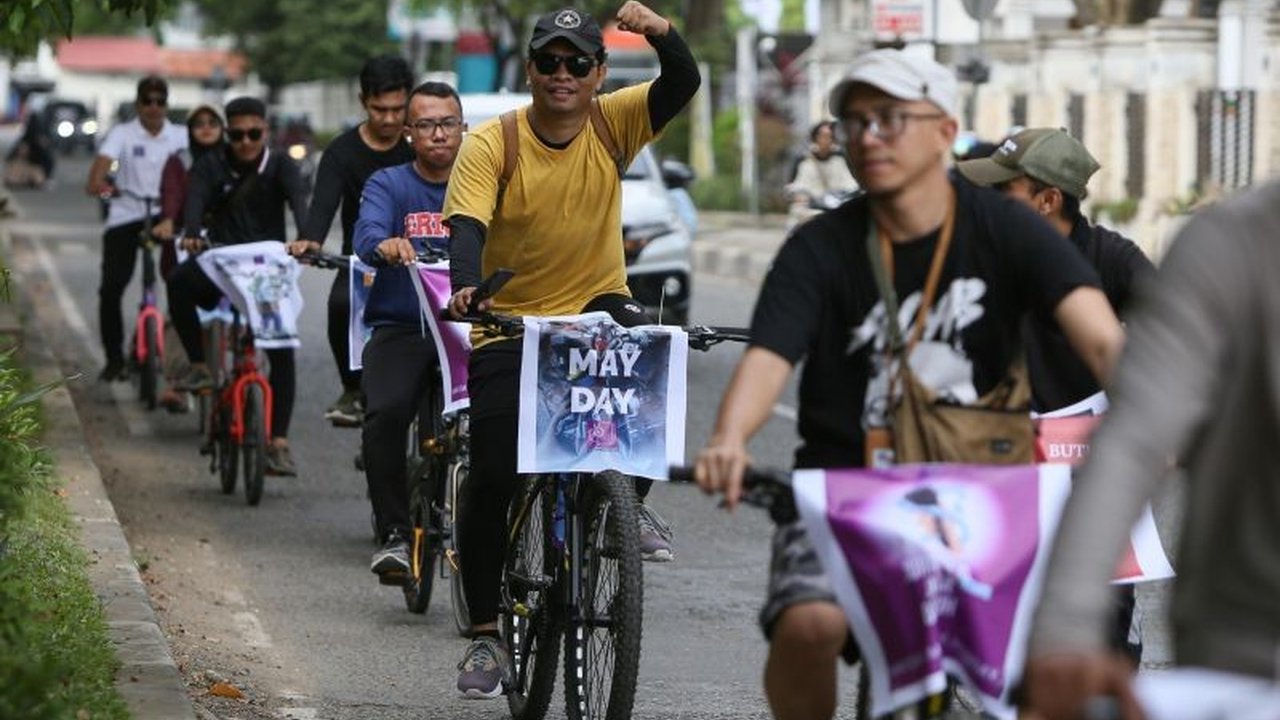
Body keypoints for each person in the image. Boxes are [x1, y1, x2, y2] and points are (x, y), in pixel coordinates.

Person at [689, 48, 1125, 720]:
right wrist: (728, 439)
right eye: (855, 121)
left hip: (983, 492)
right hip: (847, 488)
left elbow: (1100, 336)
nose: (868, 136)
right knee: (810, 625)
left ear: (946, 130)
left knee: (1043, 669)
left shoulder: (1006, 229)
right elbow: (770, 356)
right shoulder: (821, 246)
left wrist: (1148, 423)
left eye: (890, 118)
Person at [442, 2, 700, 698]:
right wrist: (468, 290)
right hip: (510, 321)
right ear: (530, 70)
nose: (563, 75)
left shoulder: (614, 123)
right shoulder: (493, 143)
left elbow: (682, 81)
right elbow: (465, 227)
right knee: (495, 470)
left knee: (650, 358)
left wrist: (658, 29)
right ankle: (487, 634)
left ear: (599, 73)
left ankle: (620, 503)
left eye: (577, 63)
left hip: (594, 307)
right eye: (549, 62)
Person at [1022, 182, 1280, 720]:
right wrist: (1065, 631)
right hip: (1247, 647)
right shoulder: (1235, 243)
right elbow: (1134, 440)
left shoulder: (1112, 254)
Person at [958, 128, 1156, 667]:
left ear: (1047, 201)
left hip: (1088, 464)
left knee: (1106, 625)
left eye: (1004, 192)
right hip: (999, 456)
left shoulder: (1112, 259)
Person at [351, 81, 464, 584]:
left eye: (447, 123)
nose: (438, 134)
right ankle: (395, 532)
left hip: (469, 331)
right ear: (409, 133)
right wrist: (386, 244)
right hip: (403, 326)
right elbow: (366, 234)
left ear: (463, 129)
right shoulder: (388, 183)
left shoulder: (484, 180)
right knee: (384, 415)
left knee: (506, 415)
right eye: (426, 125)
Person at [168, 96, 310, 476]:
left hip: (266, 272)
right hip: (222, 266)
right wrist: (194, 233)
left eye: (254, 133)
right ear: (227, 133)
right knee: (179, 283)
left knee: (282, 346)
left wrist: (308, 238)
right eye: (237, 134)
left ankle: (278, 441)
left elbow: (300, 205)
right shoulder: (210, 164)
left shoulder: (282, 165)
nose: (246, 142)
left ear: (266, 132)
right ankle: (198, 364)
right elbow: (195, 200)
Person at [289, 56, 416, 428]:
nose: (391, 119)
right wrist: (309, 241)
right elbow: (323, 205)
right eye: (380, 109)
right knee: (340, 302)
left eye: (398, 109)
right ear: (364, 102)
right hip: (363, 264)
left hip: (424, 262)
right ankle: (353, 388)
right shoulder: (342, 152)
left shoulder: (421, 145)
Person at [85, 76, 188, 381]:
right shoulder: (122, 134)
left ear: (167, 104)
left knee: (186, 283)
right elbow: (97, 177)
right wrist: (104, 188)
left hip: (168, 216)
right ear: (138, 104)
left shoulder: (180, 135)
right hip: (128, 213)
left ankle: (180, 354)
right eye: (148, 101)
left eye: (160, 101)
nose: (154, 107)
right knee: (111, 288)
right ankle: (114, 358)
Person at [149, 104, 227, 413]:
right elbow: (173, 195)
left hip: (227, 248)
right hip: (184, 244)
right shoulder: (179, 161)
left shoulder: (235, 160)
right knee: (180, 313)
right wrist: (170, 221)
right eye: (199, 124)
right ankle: (178, 381)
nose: (206, 128)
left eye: (213, 122)